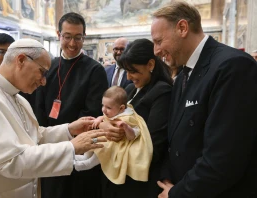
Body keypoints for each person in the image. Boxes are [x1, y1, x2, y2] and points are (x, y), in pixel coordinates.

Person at [0, 38, 108, 198]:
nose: (44, 81)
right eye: (42, 72)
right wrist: (72, 147)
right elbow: (10, 162)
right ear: (21, 60)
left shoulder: (15, 96)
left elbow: (31, 137)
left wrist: (68, 129)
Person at [151, 2, 257, 198]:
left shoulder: (232, 66)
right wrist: (167, 180)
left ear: (182, 28)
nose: (156, 51)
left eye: (158, 41)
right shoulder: (183, 73)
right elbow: (174, 139)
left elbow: (224, 158)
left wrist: (177, 193)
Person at [34, 12, 109, 198]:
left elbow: (91, 113)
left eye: (78, 37)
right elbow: (38, 105)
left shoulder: (95, 70)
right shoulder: (49, 66)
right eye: (67, 37)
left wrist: (65, 135)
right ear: (58, 34)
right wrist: (44, 137)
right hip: (49, 148)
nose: (73, 44)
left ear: (84, 37)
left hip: (79, 151)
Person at [101, 38, 173, 197]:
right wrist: (105, 126)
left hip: (137, 181)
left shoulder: (162, 92)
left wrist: (122, 135)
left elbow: (153, 144)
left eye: (132, 71)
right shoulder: (131, 88)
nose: (128, 77)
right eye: (126, 71)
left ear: (151, 65)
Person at [76, 86, 153, 185]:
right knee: (92, 141)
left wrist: (126, 127)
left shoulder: (129, 118)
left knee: (102, 150)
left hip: (115, 144)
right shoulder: (113, 112)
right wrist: (99, 119)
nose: (104, 110)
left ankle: (86, 164)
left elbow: (134, 135)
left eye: (108, 107)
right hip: (104, 137)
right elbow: (104, 116)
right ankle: (83, 157)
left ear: (121, 108)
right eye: (103, 105)